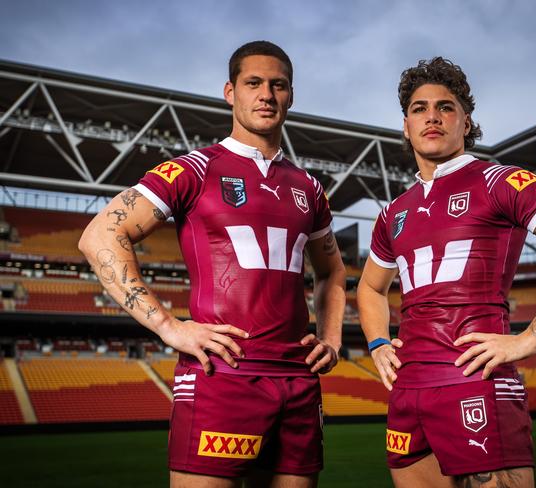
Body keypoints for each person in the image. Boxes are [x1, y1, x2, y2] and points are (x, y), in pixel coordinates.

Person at [79, 40, 346, 488]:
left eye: (278, 85)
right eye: (253, 83)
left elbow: (332, 270)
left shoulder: (309, 188)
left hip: (298, 379)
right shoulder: (195, 169)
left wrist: (333, 337)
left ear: (291, 96)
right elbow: (101, 235)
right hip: (221, 373)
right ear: (230, 92)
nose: (266, 94)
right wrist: (168, 326)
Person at [357, 57, 536, 488]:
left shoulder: (499, 182)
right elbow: (369, 287)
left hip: (475, 380)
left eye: (446, 107)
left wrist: (529, 338)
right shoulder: (393, 213)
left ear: (466, 122)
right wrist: (378, 342)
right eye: (419, 109)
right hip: (408, 390)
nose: (432, 116)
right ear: (406, 126)